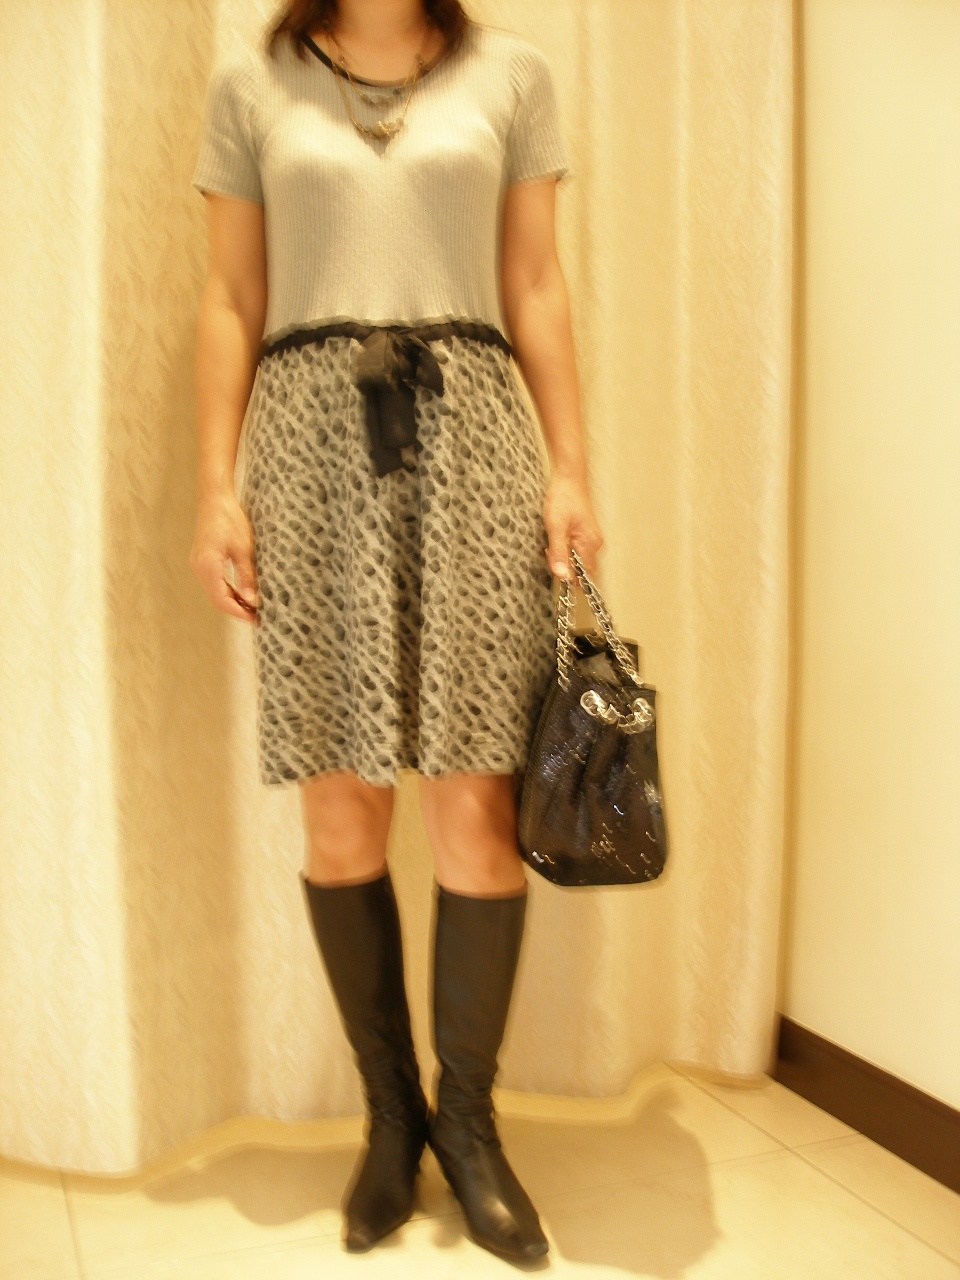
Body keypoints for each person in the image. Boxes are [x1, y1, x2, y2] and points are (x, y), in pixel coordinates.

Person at [188, 0, 602, 1263]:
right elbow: (231, 295)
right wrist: (217, 489)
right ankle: (391, 1121)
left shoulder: (511, 75)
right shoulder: (251, 84)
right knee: (343, 808)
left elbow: (534, 279)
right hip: (310, 449)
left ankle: (468, 1124)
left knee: (476, 806)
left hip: (474, 435)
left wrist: (571, 469)